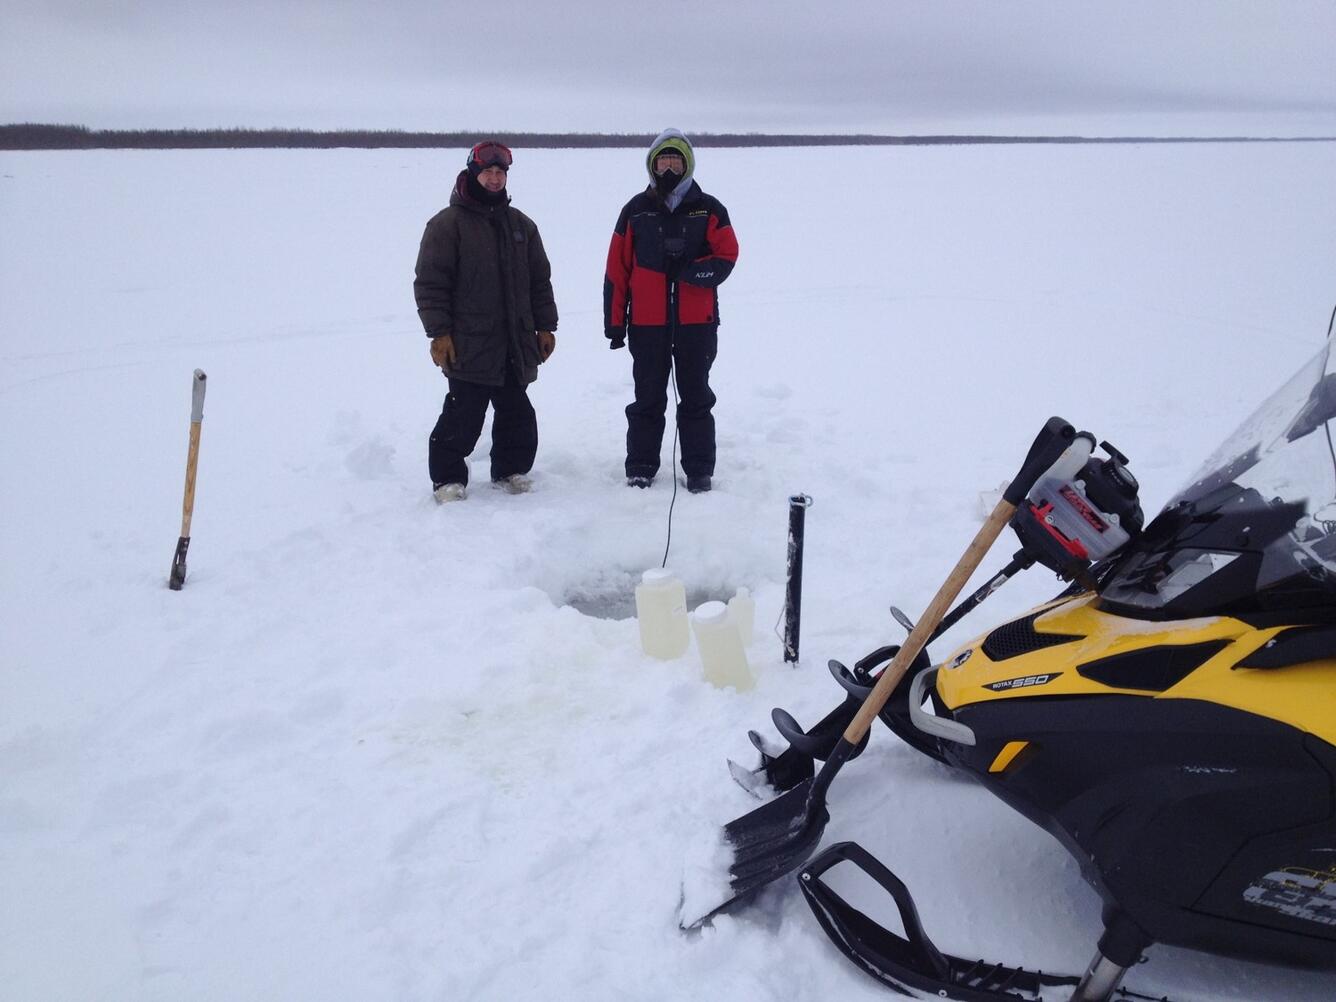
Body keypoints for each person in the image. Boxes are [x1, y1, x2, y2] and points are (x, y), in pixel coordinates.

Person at [414, 141, 558, 503]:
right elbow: (431, 283)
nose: (494, 179)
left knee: (517, 412)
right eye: (488, 172)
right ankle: (448, 479)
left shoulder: (521, 225)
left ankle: (510, 471)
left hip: (515, 340)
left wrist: (546, 326)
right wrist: (439, 333)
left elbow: (540, 281)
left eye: (500, 172)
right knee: (463, 414)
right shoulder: (447, 225)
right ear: (473, 173)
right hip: (470, 342)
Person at [603, 128, 739, 493]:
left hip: (697, 324)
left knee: (696, 397)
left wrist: (692, 272)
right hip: (648, 325)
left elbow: (727, 255)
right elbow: (617, 270)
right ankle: (641, 467)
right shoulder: (636, 210)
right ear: (652, 164)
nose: (668, 166)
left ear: (686, 164)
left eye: (675, 159)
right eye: (662, 159)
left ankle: (698, 470)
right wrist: (615, 323)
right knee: (647, 398)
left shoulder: (708, 207)